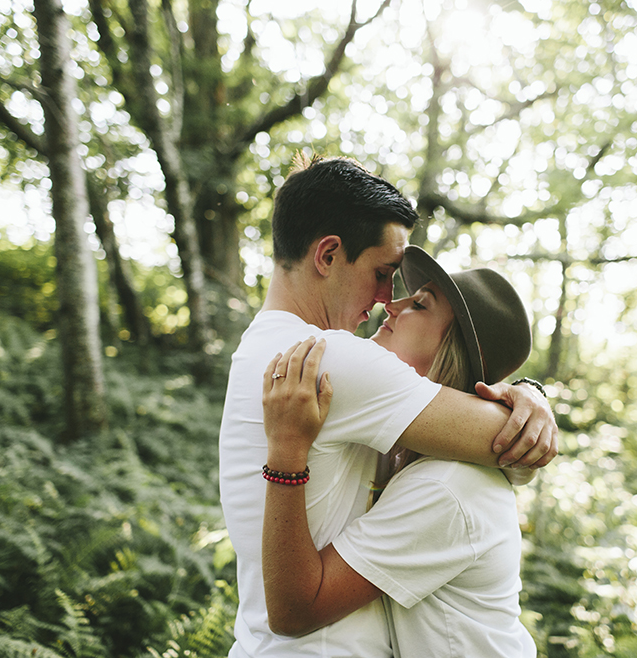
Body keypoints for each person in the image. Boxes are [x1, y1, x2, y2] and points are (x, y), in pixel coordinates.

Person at [218, 153, 557, 658]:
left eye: (413, 299)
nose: (385, 300)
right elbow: (511, 443)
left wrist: (529, 390)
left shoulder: (262, 347)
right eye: (383, 273)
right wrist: (532, 407)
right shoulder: (328, 359)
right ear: (328, 255)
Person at [261, 245, 540, 657]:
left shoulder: (444, 485)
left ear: (452, 349)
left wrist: (285, 450)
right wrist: (533, 392)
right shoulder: (405, 451)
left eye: (420, 304)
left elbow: (293, 613)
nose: (391, 305)